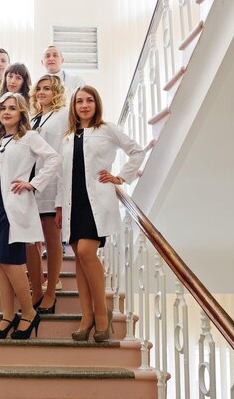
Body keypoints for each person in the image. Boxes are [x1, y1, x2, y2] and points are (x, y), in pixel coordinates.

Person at [55, 86, 144, 342]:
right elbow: (62, 176)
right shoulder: (67, 137)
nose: (84, 105)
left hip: (97, 202)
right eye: (79, 101)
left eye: (89, 100)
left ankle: (102, 314)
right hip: (73, 203)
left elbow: (137, 150)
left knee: (86, 253)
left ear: (96, 103)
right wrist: (60, 206)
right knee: (80, 264)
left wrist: (120, 177)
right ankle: (86, 317)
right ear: (73, 106)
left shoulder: (107, 129)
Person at [0, 92, 60, 340]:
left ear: (21, 113)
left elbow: (54, 159)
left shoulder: (28, 137)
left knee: (10, 261)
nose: (6, 112)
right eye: (3, 108)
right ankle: (8, 315)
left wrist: (33, 183)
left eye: (12, 108)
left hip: (13, 208)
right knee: (1, 264)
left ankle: (28, 312)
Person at [25, 75, 68, 313]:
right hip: (30, 183)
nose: (42, 92)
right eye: (39, 88)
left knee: (52, 240)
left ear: (57, 92)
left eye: (47, 88)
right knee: (30, 240)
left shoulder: (62, 115)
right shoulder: (32, 117)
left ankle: (51, 292)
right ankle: (37, 289)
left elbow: (61, 153)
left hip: (51, 183)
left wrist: (61, 199)